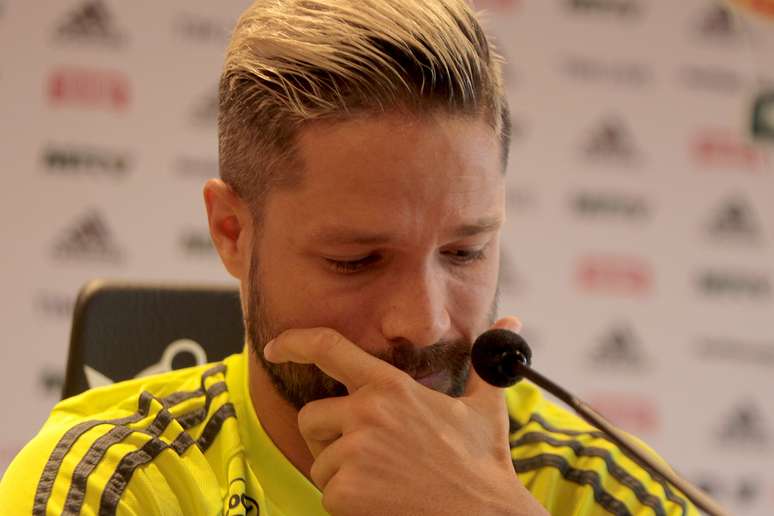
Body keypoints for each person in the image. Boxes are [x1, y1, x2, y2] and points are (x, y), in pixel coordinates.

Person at [0, 1, 697, 514]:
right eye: (358, 259)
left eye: (465, 251)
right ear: (232, 233)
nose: (424, 325)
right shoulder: (109, 483)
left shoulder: (593, 483)